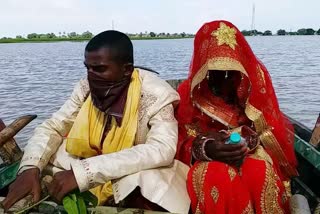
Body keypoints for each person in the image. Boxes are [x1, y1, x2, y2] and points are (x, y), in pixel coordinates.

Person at [2, 30, 190, 213]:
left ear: (126, 70)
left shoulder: (157, 94)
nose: (91, 76)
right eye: (88, 68)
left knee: (153, 179)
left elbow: (162, 149)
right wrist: (29, 168)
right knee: (44, 154)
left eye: (100, 69)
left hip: (128, 169)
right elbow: (54, 127)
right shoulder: (85, 88)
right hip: (87, 160)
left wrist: (84, 173)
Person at [175, 20, 298, 214]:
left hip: (250, 153)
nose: (224, 77)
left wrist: (247, 141)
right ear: (202, 67)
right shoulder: (187, 95)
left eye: (230, 70)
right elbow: (178, 142)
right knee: (217, 177)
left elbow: (272, 135)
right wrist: (206, 147)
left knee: (259, 172)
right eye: (215, 71)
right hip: (207, 160)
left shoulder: (252, 91)